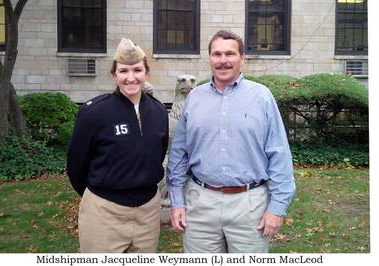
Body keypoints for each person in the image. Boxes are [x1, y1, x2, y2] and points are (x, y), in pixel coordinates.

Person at [167, 30, 296, 253]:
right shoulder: (194, 98)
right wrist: (177, 201)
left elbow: (279, 154)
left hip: (250, 205)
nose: (223, 60)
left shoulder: (262, 97)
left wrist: (277, 208)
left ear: (242, 58)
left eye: (230, 54)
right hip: (200, 204)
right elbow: (179, 153)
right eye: (216, 54)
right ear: (209, 58)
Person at [67, 38, 169, 253]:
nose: (131, 78)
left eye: (137, 70)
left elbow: (156, 155)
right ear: (114, 75)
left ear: (146, 73)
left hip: (148, 212)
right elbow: (76, 165)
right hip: (105, 212)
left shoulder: (159, 112)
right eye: (123, 71)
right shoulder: (94, 113)